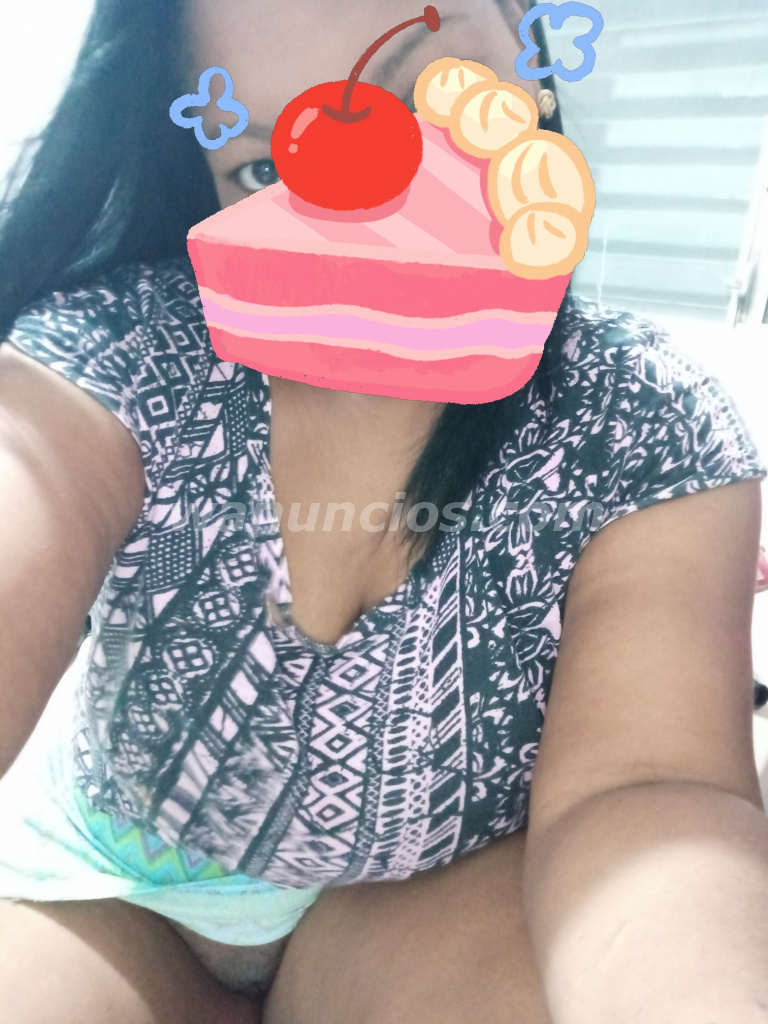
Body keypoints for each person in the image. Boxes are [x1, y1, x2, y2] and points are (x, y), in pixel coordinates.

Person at [0, 1, 767, 1022]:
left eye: (425, 110)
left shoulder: (644, 424)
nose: (361, 224)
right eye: (269, 169)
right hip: (111, 895)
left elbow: (649, 786)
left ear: (524, 39)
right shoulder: (128, 353)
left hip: (419, 904)